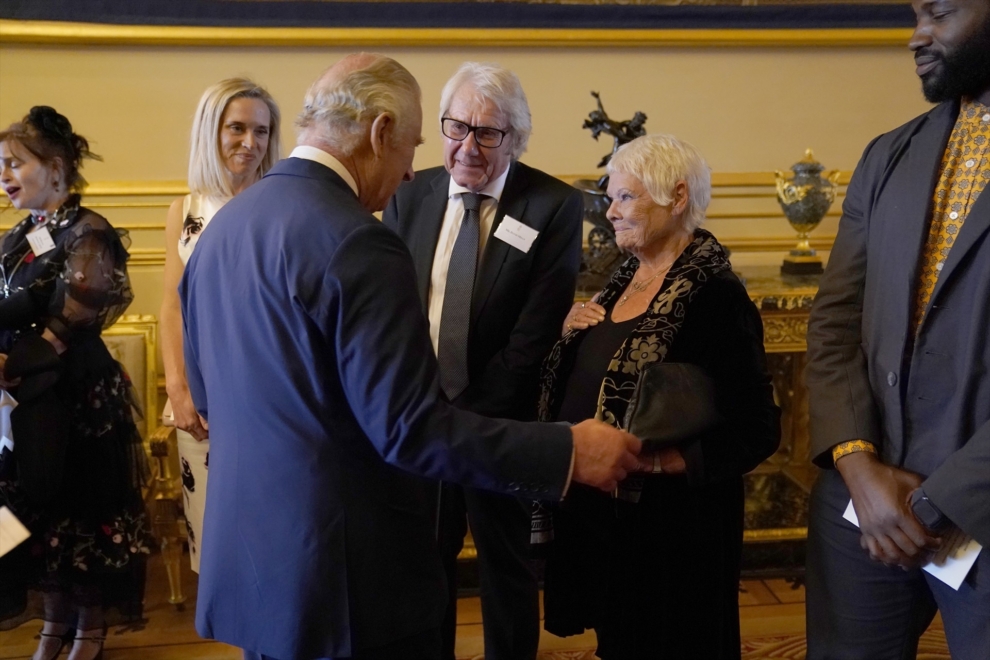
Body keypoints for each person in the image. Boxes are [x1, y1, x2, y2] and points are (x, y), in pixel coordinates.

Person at [179, 53, 641, 660]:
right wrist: (569, 450)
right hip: (348, 580)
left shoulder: (223, 228)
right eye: (416, 145)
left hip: (257, 568)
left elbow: (210, 397)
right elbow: (408, 429)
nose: (408, 176)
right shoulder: (358, 242)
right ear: (379, 132)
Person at [539, 133, 780, 660]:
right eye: (610, 197)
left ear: (676, 197)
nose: (612, 211)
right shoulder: (622, 280)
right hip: (609, 526)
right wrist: (572, 332)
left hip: (676, 538)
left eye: (626, 197)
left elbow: (757, 427)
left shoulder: (716, 295)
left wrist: (657, 465)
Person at [804, 1, 990, 658]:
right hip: (861, 503)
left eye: (939, 11)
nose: (917, 34)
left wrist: (940, 502)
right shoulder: (888, 155)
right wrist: (858, 466)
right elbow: (832, 324)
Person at [382, 61, 583, 660]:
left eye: (488, 133)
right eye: (456, 127)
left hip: (503, 423)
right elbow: (393, 309)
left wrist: (467, 420)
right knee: (425, 567)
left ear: (515, 139)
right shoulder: (409, 191)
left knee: (507, 569)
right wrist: (426, 414)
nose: (468, 146)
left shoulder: (551, 205)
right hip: (420, 418)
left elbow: (535, 334)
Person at [0, 107, 152, 660]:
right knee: (38, 515)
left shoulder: (88, 230)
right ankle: (53, 624)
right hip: (24, 395)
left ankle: (89, 629)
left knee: (82, 513)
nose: (4, 175)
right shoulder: (21, 234)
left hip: (77, 398)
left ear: (57, 167)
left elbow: (73, 318)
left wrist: (11, 362)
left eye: (15, 163)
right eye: (2, 165)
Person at [160, 77, 281, 573]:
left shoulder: (282, 204)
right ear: (211, 130)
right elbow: (171, 306)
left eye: (262, 131)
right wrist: (177, 388)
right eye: (237, 128)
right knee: (215, 542)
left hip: (270, 399)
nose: (250, 143)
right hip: (201, 401)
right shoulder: (183, 211)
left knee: (269, 535)